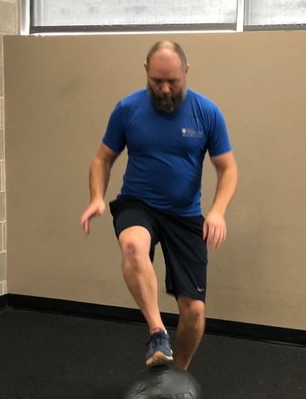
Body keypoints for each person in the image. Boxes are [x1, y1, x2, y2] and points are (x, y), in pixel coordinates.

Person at [80, 41, 238, 371]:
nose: (164, 89)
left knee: (194, 311)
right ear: (146, 73)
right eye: (156, 81)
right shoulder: (128, 109)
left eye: (173, 81)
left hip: (184, 213)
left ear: (186, 72)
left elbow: (228, 167)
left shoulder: (207, 113)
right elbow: (102, 159)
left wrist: (218, 210)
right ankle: (156, 332)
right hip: (139, 204)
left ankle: (176, 373)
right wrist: (97, 196)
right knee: (133, 247)